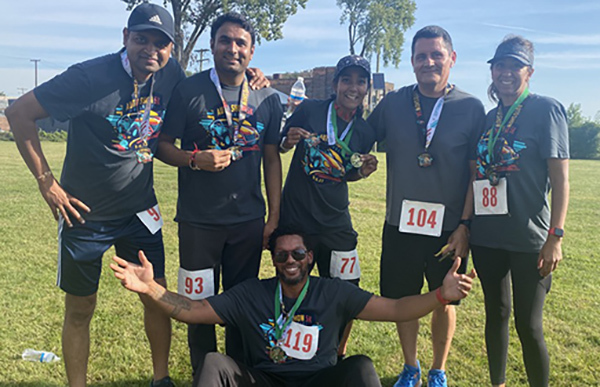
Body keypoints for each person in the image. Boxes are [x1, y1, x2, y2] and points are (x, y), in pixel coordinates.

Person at [5, 4, 184, 386]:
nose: (150, 49)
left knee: (154, 295)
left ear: (171, 48)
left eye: (160, 43)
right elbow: (20, 111)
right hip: (84, 215)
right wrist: (46, 182)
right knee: (81, 307)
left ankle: (161, 378)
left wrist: (251, 80)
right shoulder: (88, 77)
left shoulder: (171, 75)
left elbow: (204, 90)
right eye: (141, 39)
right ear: (125, 37)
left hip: (140, 211)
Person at [110, 227, 477, 387]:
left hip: (319, 380)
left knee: (362, 367)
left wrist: (441, 296)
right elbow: (190, 311)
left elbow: (397, 309)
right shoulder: (251, 293)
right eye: (282, 254)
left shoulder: (333, 293)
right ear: (273, 260)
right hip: (265, 380)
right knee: (213, 363)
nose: (291, 260)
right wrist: (150, 289)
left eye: (298, 254)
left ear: (310, 258)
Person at [156, 11, 283, 375]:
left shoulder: (267, 98)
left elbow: (272, 160)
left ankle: (238, 375)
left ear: (252, 51)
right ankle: (203, 375)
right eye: (225, 40)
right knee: (198, 306)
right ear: (212, 45)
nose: (232, 48)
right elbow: (163, 146)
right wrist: (196, 159)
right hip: (199, 223)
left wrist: (273, 217)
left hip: (247, 222)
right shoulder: (189, 90)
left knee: (242, 305)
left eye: (240, 42)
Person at [367, 25, 486, 387]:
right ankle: (410, 367)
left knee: (444, 299)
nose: (429, 62)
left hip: (449, 229)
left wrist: (465, 225)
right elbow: (356, 132)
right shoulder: (393, 103)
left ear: (451, 58)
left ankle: (438, 369)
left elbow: (474, 173)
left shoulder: (470, 107)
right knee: (404, 299)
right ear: (413, 61)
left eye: (436, 55)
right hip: (400, 224)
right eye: (421, 56)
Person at [470, 35, 569, 387]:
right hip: (487, 237)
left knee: (529, 325)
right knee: (495, 314)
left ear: (529, 71)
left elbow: (561, 181)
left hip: (531, 238)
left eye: (515, 65)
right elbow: (474, 175)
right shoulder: (487, 118)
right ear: (492, 71)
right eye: (500, 65)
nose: (506, 72)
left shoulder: (546, 110)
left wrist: (554, 236)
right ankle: (497, 383)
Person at [279, 54, 378, 359]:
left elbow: (345, 171)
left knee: (347, 288)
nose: (353, 87)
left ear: (367, 88)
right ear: (335, 84)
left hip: (336, 222)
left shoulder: (365, 132)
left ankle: (337, 353)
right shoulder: (310, 109)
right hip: (297, 220)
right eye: (346, 80)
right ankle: (294, 350)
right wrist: (288, 140)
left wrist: (361, 172)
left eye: (360, 81)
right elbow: (281, 143)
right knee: (295, 287)